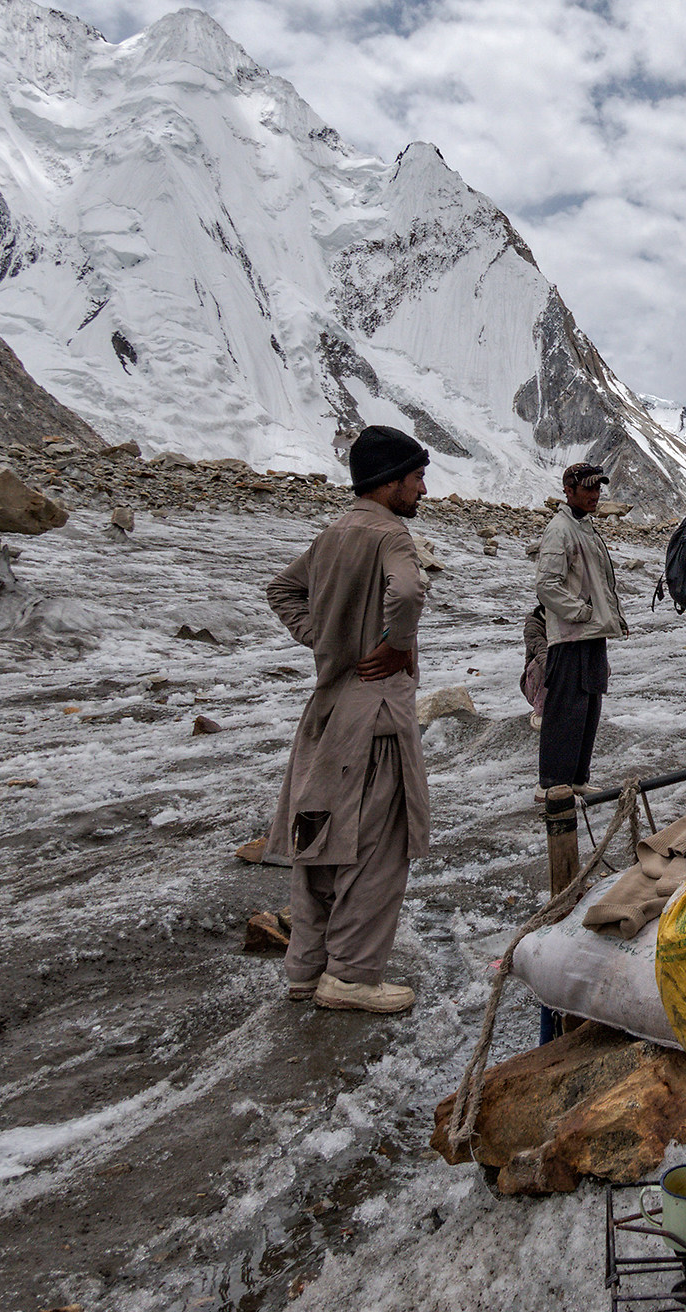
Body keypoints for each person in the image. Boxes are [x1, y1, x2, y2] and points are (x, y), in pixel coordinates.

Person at [263, 424, 433, 1013]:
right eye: (415, 478)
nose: (422, 490)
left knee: (321, 838)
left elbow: (281, 591)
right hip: (376, 715)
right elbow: (408, 593)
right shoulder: (393, 535)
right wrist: (396, 643)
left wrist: (324, 642)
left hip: (326, 711)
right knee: (377, 846)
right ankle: (353, 978)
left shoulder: (332, 534)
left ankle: (305, 971)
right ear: (389, 482)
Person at [535, 461, 627, 794]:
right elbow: (547, 585)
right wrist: (583, 613)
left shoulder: (583, 526)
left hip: (591, 632)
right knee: (565, 710)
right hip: (572, 634)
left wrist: (611, 618)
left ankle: (576, 779)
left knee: (588, 708)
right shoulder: (560, 529)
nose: (595, 494)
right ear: (568, 491)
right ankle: (551, 784)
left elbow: (599, 581)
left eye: (598, 488)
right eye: (588, 488)